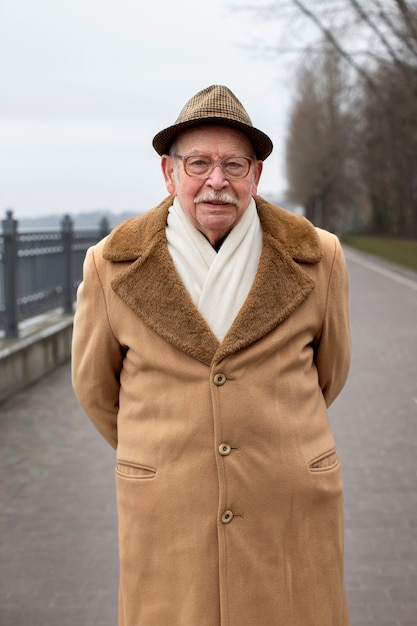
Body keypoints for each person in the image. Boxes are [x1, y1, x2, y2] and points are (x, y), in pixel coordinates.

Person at [71, 84, 351, 626]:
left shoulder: (320, 256)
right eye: (198, 163)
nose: (216, 181)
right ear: (169, 173)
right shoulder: (110, 263)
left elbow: (329, 374)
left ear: (256, 176)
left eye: (234, 165)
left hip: (289, 501)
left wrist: (270, 433)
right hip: (168, 509)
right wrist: (172, 448)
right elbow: (96, 389)